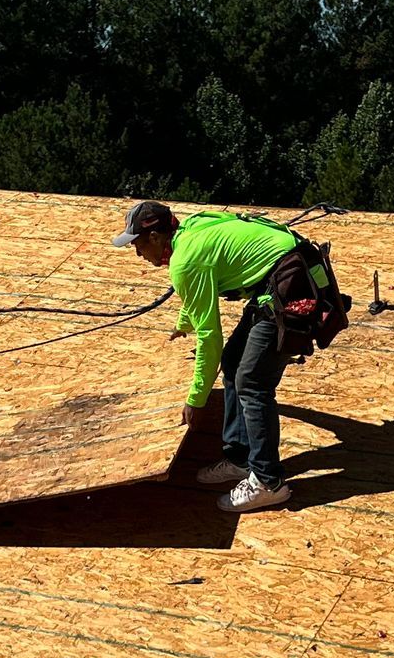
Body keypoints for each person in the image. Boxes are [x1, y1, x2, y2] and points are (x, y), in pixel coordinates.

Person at [115, 199, 301, 512]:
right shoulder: (189, 228)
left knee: (252, 382)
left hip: (291, 284)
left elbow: (210, 338)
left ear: (157, 238)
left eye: (137, 244)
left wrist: (196, 398)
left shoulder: (184, 261)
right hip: (282, 274)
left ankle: (268, 481)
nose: (137, 252)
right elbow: (204, 288)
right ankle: (242, 458)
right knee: (233, 362)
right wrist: (185, 322)